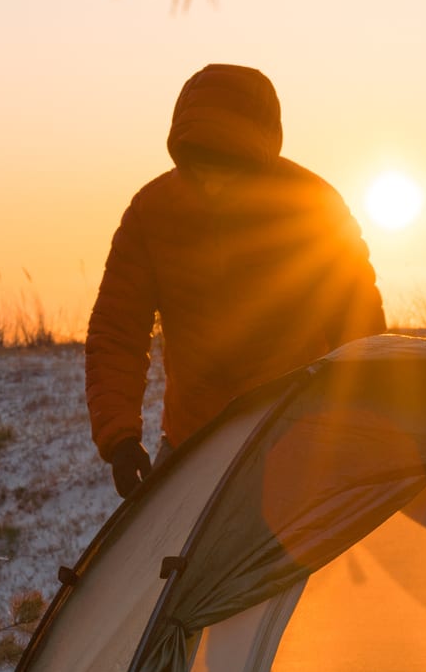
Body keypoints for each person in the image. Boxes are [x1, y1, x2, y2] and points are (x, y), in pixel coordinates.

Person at [86, 63, 387, 494]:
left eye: (227, 164)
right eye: (200, 162)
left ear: (259, 155)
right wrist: (120, 438)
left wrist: (360, 424)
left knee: (295, 561)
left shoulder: (313, 207)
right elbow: (117, 332)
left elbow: (357, 326)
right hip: (192, 439)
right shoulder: (151, 213)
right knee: (184, 561)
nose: (212, 181)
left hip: (295, 439)